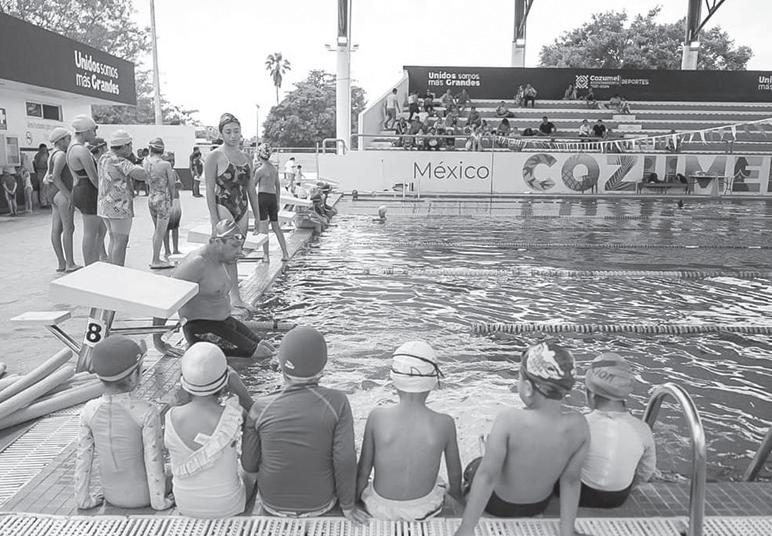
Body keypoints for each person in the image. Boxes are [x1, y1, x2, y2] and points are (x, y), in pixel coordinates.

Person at [455, 341, 589, 536]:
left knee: (476, 466)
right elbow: (571, 481)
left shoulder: (509, 420)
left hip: (498, 505)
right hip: (538, 505)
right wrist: (567, 531)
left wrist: (466, 529)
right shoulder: (579, 425)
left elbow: (487, 477)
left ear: (527, 387)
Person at [242, 326, 369, 522]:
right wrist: (348, 506)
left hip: (272, 503)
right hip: (321, 503)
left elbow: (249, 464)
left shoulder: (260, 407)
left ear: (282, 366)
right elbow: (345, 459)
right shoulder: (337, 402)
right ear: (322, 367)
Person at [357, 341, 462, 521]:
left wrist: (353, 501)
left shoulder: (377, 417)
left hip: (379, 506)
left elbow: (364, 470)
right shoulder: (445, 423)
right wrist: (457, 498)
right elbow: (455, 474)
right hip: (424, 508)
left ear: (394, 380)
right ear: (432, 382)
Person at [74, 335, 173, 511]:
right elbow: (154, 460)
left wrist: (85, 501)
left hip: (111, 495)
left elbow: (83, 460)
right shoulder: (146, 411)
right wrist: (160, 503)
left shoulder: (89, 410)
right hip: (143, 496)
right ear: (134, 376)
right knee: (176, 469)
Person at [165, 342, 256, 517]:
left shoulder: (171, 416)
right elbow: (257, 419)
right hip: (229, 505)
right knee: (251, 471)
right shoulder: (235, 414)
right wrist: (238, 388)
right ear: (225, 381)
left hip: (185, 505)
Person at [173, 219, 276, 358]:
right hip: (201, 329)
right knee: (262, 355)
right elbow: (168, 296)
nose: (240, 252)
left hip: (225, 322)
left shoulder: (223, 259)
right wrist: (158, 341)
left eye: (240, 247)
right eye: (234, 246)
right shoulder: (198, 262)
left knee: (268, 347)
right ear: (218, 241)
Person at [581, 353, 657, 508]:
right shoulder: (642, 428)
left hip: (581, 494)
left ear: (592, 394)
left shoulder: (581, 424)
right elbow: (646, 471)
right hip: (618, 498)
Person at [205, 113, 260, 310]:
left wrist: (258, 217)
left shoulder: (247, 158)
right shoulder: (215, 156)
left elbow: (251, 190)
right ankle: (230, 297)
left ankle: (234, 297)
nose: (233, 135)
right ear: (221, 134)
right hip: (224, 205)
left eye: (236, 131)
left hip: (242, 208)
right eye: (228, 132)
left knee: (234, 254)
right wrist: (214, 219)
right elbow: (209, 189)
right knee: (226, 252)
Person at [97, 130, 147, 266]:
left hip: (105, 205)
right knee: (121, 241)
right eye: (130, 145)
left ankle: (112, 268)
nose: (131, 148)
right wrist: (152, 164)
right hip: (119, 207)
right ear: (124, 146)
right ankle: (118, 271)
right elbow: (141, 174)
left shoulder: (104, 157)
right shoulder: (119, 161)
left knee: (113, 239)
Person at [67, 114, 107, 265]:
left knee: (100, 229)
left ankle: (95, 261)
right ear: (86, 131)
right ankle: (90, 265)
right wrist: (105, 194)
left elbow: (76, 176)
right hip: (88, 192)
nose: (95, 134)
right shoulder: (81, 150)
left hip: (81, 189)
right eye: (93, 131)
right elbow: (94, 178)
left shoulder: (72, 148)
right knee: (91, 232)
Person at [46, 127, 80, 273]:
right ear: (60, 140)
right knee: (68, 228)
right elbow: (56, 178)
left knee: (56, 230)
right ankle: (70, 263)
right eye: (67, 139)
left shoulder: (52, 154)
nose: (69, 141)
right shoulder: (61, 155)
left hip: (52, 193)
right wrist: (69, 196)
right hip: (61, 193)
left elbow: (48, 177)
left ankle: (61, 263)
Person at [254, 143, 291, 263]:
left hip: (263, 197)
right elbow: (278, 186)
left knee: (264, 228)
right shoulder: (274, 169)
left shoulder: (260, 170)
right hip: (273, 198)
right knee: (276, 227)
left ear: (259, 155)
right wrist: (278, 202)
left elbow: (252, 186)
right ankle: (285, 253)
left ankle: (266, 256)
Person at [144, 138, 176, 269]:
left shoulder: (146, 162)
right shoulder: (166, 165)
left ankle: (156, 257)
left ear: (150, 149)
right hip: (163, 199)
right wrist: (172, 199)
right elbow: (172, 184)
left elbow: (146, 180)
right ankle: (155, 260)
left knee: (156, 231)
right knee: (160, 232)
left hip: (151, 197)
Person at [33, 143, 50, 209]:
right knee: (43, 188)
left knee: (46, 187)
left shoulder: (43, 155)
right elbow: (39, 164)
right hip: (42, 172)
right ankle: (44, 203)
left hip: (44, 172)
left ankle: (47, 202)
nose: (45, 150)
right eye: (44, 149)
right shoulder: (39, 155)